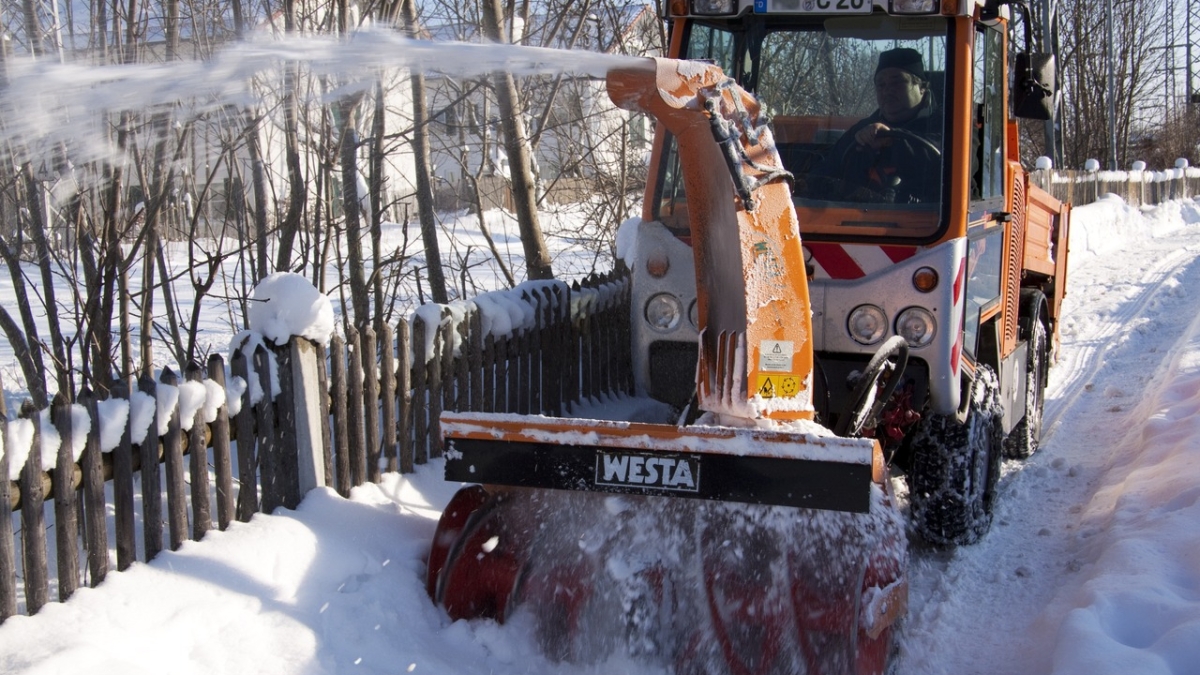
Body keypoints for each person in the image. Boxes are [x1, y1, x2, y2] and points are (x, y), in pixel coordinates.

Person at [815, 47, 943, 203]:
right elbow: (824, 174)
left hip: (929, 223)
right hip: (860, 221)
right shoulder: (861, 131)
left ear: (922, 87)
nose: (887, 91)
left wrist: (893, 139)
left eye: (897, 82)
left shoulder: (951, 126)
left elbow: (953, 163)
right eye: (881, 85)